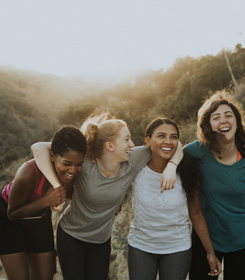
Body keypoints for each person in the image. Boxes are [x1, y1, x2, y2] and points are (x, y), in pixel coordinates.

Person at [31, 113, 182, 280]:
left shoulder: (133, 159)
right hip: (70, 235)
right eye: (126, 139)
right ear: (110, 146)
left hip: (100, 241)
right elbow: (38, 147)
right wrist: (57, 186)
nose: (132, 144)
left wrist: (171, 167)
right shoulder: (86, 161)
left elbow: (176, 145)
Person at [184, 90, 245, 280]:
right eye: (216, 117)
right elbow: (169, 153)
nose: (224, 120)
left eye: (229, 115)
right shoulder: (195, 152)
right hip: (205, 238)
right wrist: (171, 168)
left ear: (237, 121)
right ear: (208, 125)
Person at [127, 118, 222, 280]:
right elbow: (112, 175)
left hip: (177, 248)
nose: (168, 141)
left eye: (174, 137)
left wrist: (210, 252)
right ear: (148, 141)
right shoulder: (136, 164)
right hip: (140, 246)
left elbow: (196, 214)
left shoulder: (188, 171)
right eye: (161, 136)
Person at [0, 125, 87, 280]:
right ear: (52, 156)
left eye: (78, 164)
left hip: (39, 218)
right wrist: (46, 200)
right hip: (8, 219)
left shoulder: (73, 173)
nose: (73, 170)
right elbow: (12, 214)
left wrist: (111, 203)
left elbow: (78, 194)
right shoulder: (28, 173)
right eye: (67, 163)